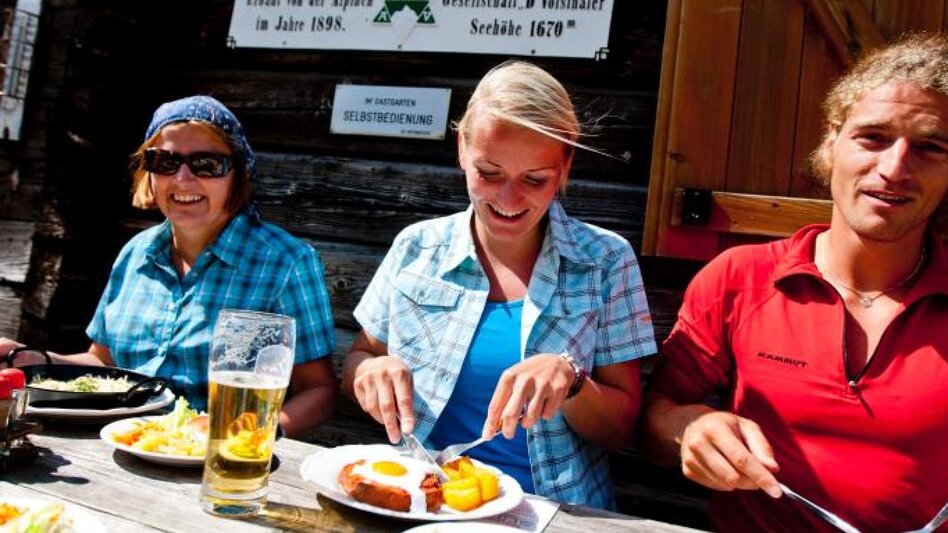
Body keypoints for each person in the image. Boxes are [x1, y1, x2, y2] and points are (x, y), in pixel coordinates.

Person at [641, 33, 948, 532]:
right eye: (873, 137)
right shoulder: (739, 279)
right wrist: (689, 428)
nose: (894, 169)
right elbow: (656, 421)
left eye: (930, 148)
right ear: (832, 142)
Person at [342, 61, 656, 508]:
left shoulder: (605, 261)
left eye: (534, 179)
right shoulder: (418, 247)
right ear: (462, 149)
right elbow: (360, 357)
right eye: (489, 173)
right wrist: (369, 372)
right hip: (424, 503)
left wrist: (571, 379)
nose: (508, 201)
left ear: (566, 164)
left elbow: (620, 429)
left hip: (553, 511)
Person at [2, 96, 336, 438]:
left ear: (237, 174)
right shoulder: (135, 253)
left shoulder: (285, 262)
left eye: (206, 163)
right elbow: (104, 364)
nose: (183, 178)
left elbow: (319, 391)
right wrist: (33, 360)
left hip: (214, 461)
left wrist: (248, 434)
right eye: (164, 162)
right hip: (120, 447)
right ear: (148, 174)